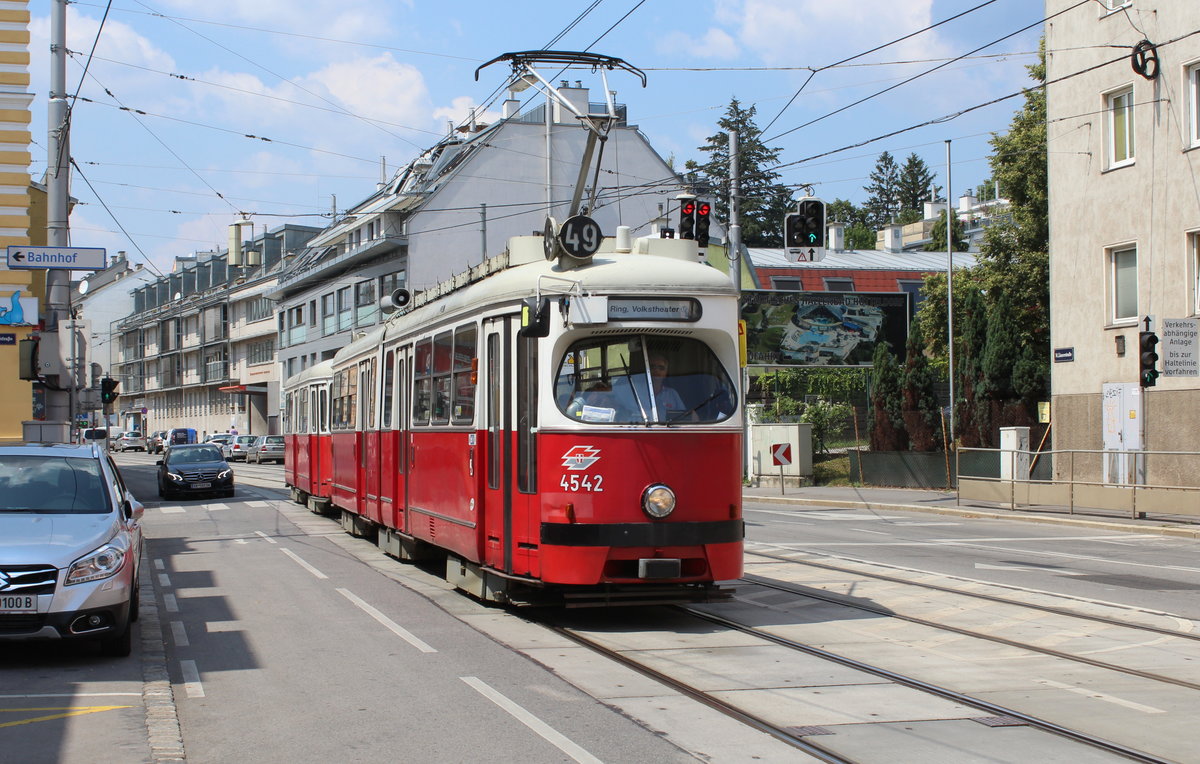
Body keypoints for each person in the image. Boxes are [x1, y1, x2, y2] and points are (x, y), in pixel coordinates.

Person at [648, 353, 695, 421]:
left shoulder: (672, 393)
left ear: (665, 373)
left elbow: (684, 417)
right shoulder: (635, 392)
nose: (656, 370)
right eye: (652, 367)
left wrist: (692, 415)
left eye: (661, 368)